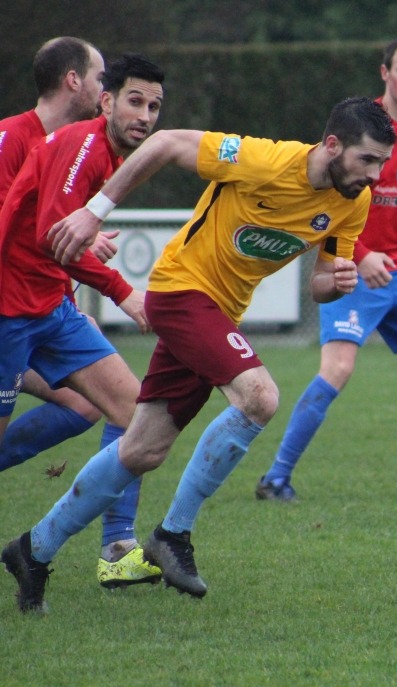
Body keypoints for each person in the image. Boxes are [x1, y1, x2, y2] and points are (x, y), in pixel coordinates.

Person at [1, 97, 397, 612]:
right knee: (259, 397)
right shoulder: (262, 159)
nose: (375, 175)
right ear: (333, 145)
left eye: (383, 163)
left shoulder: (353, 201)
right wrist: (94, 211)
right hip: (181, 292)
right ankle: (173, 535)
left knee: (142, 450)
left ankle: (33, 550)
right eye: (368, 160)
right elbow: (166, 143)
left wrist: (337, 282)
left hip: (218, 315)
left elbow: (321, 283)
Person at [256, 33, 397, 503]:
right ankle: (275, 478)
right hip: (351, 265)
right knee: (336, 370)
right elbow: (326, 196)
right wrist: (361, 253)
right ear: (385, 73)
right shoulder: (358, 126)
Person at [0, 52, 168, 593]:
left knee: (133, 412)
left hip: (50, 308)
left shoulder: (111, 155)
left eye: (154, 107)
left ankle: (117, 548)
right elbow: (54, 234)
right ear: (106, 101)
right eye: (135, 102)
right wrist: (124, 293)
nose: (144, 116)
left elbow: (57, 229)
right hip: (7, 311)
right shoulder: (85, 146)